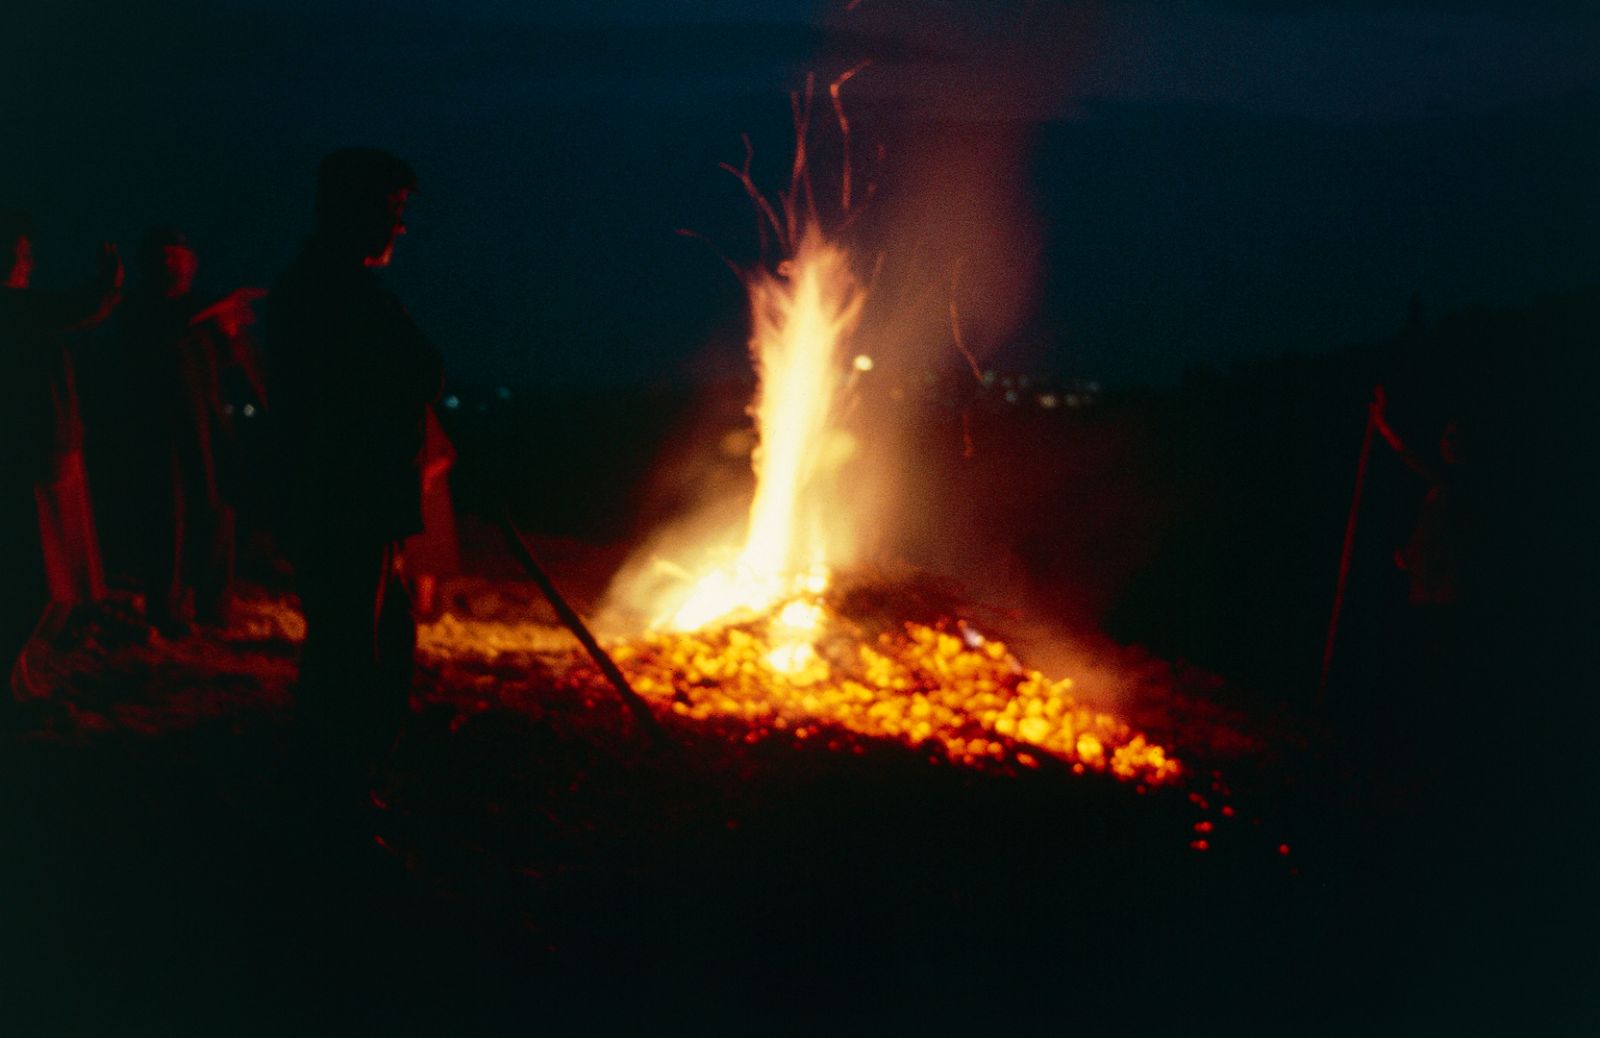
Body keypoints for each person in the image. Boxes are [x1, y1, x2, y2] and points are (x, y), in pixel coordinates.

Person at [265, 149, 443, 773]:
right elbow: (415, 369)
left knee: (376, 642)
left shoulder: (334, 288)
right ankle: (334, 794)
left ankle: (350, 784)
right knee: (349, 653)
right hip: (344, 503)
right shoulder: (335, 294)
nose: (400, 226)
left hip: (360, 504)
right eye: (392, 210)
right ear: (355, 210)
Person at [114, 227, 264, 636]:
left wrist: (232, 335)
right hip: (160, 431)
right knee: (169, 518)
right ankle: (166, 610)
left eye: (181, 257)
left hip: (208, 426)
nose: (175, 266)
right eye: (166, 257)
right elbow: (157, 340)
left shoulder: (201, 312)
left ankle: (214, 607)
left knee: (216, 514)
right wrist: (217, 309)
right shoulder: (140, 308)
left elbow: (228, 364)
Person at [1, 212, 122, 705]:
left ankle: (21, 669)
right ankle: (9, 679)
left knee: (60, 580)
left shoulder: (21, 308)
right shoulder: (12, 309)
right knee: (38, 580)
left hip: (56, 454)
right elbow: (78, 309)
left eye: (28, 252)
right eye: (21, 251)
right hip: (33, 460)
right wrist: (107, 284)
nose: (27, 261)